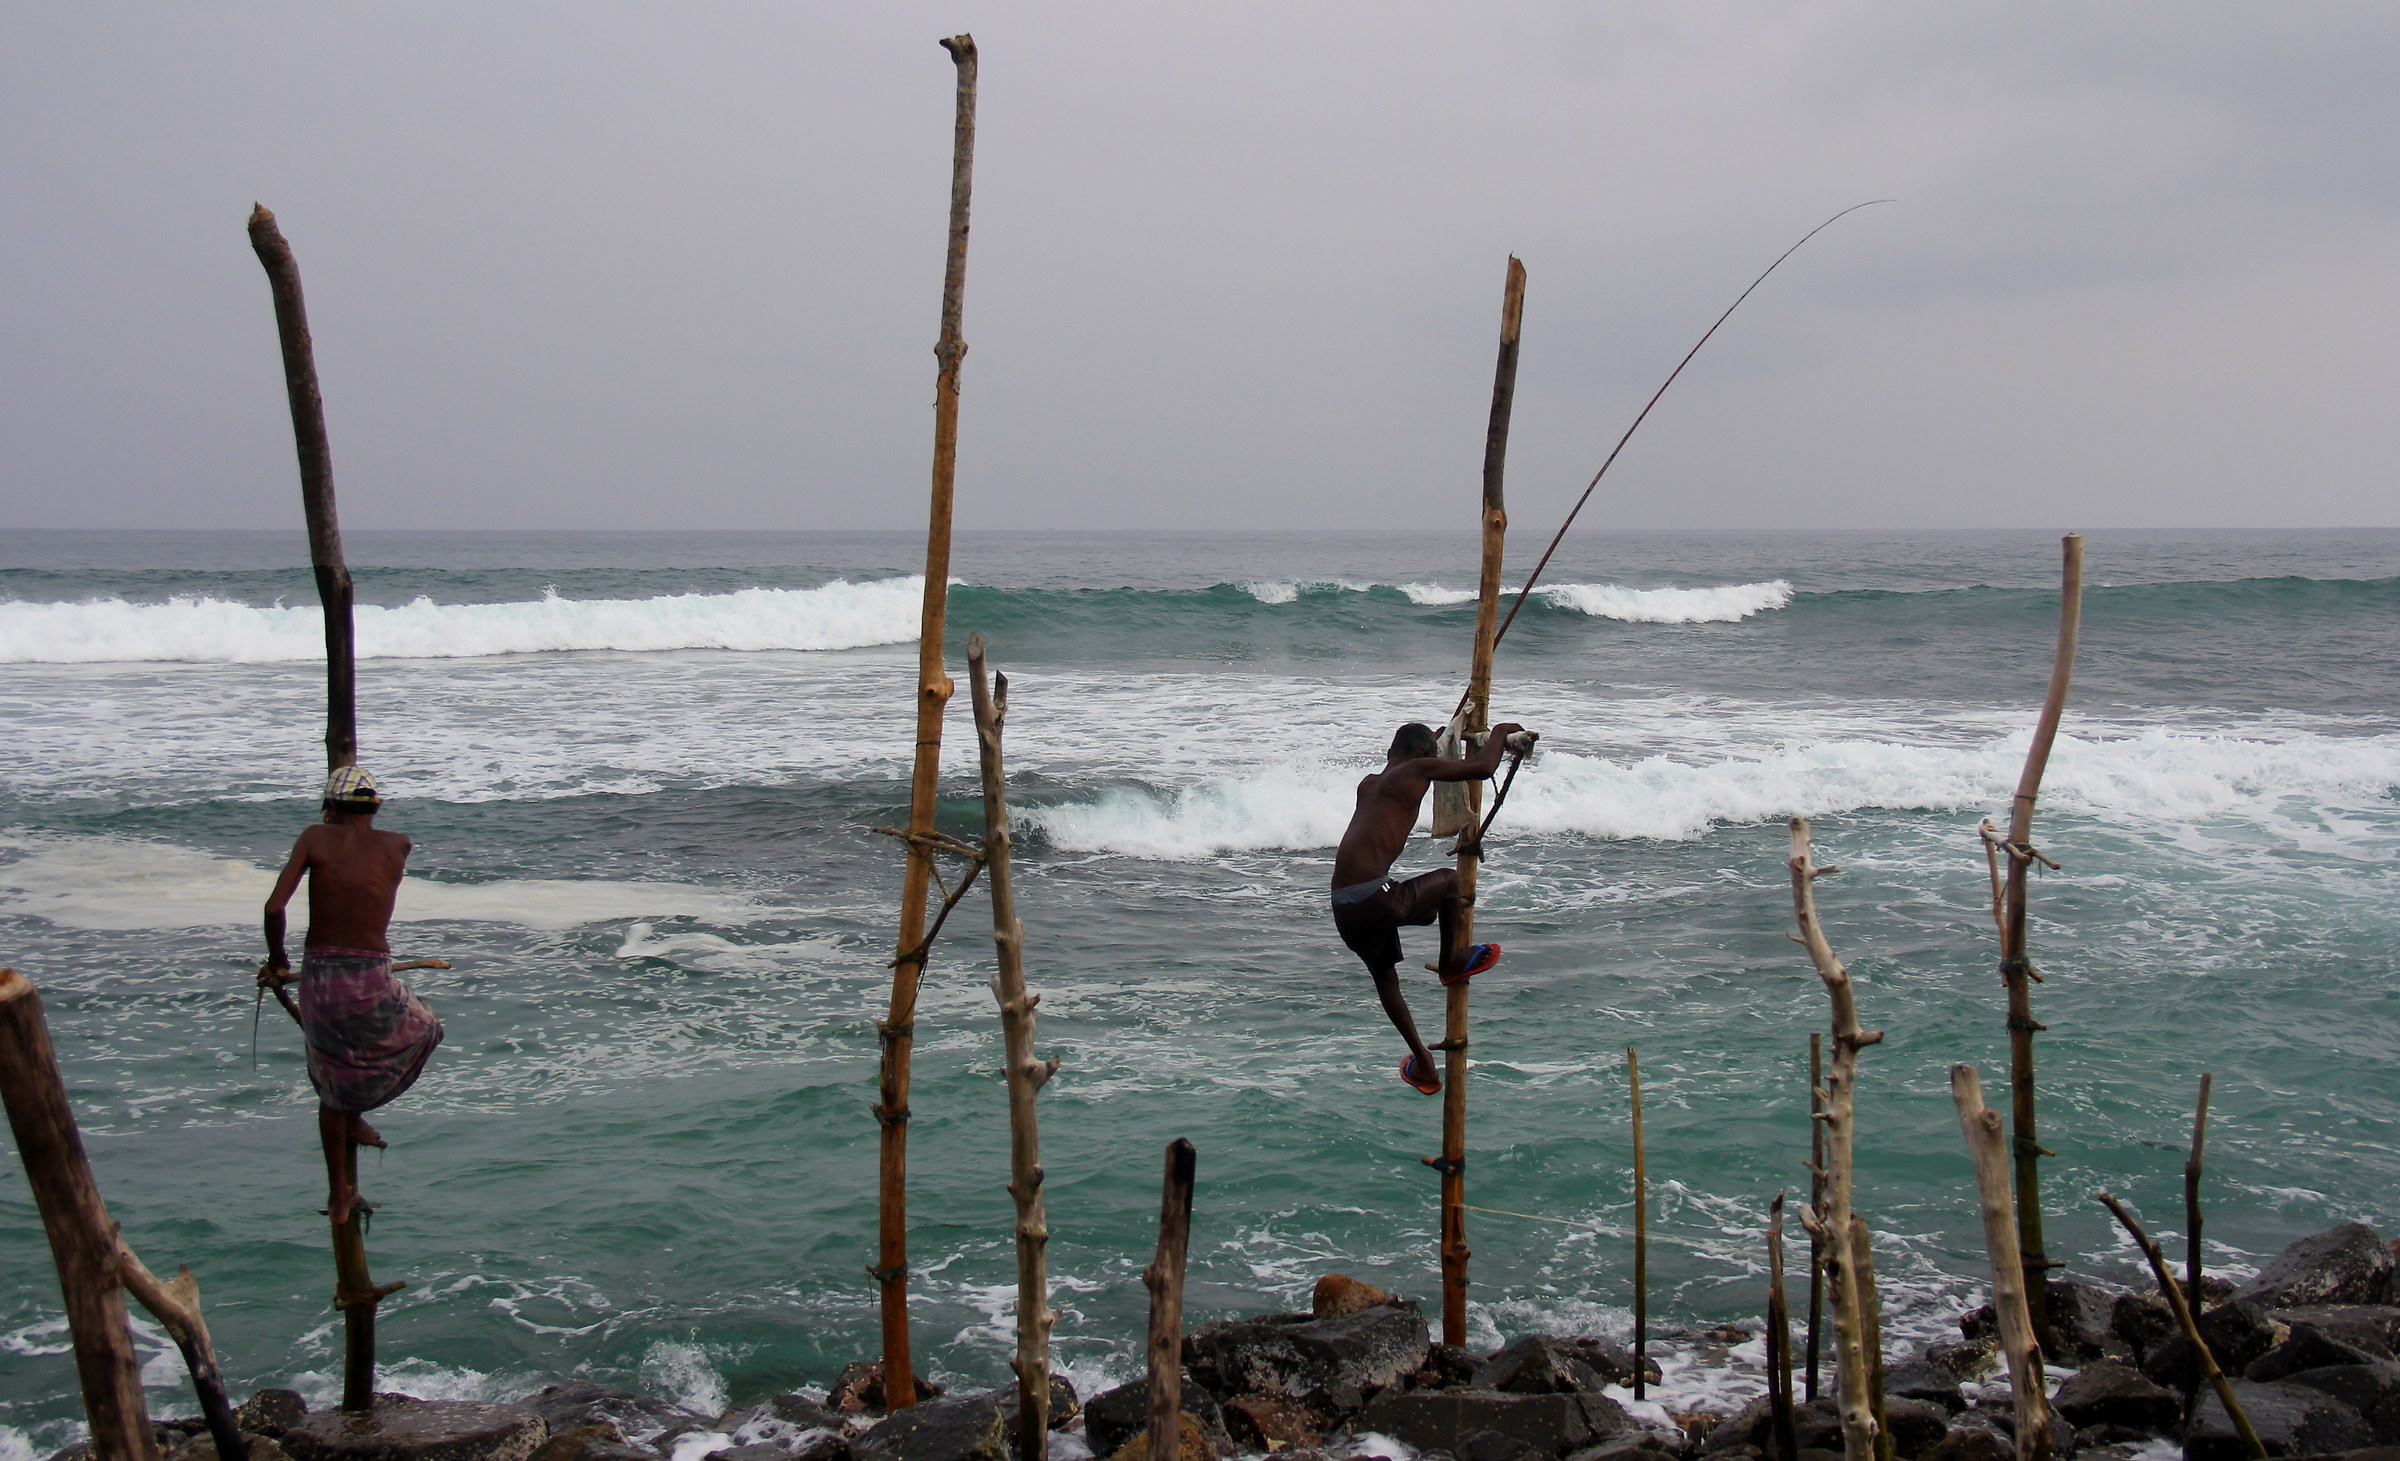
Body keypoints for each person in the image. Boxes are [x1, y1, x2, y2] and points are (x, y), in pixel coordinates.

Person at [261, 766, 442, 1224]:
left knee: (332, 1080)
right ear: (375, 807)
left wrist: (279, 961)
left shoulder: (314, 837)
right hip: (370, 977)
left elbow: (274, 907)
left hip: (321, 978)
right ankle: (356, 1117)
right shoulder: (398, 843)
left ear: (330, 807)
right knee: (426, 1028)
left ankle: (339, 1192)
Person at [1331, 719, 1525, 1095]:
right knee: (1450, 882)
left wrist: (1436, 740)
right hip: (1376, 897)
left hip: (1344, 904)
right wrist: (1500, 731)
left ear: (1391, 751)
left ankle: (1423, 1062)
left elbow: (1409, 758)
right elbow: (1484, 769)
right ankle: (1451, 960)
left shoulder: (1369, 783)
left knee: (1386, 980)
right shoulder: (1420, 768)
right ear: (1422, 755)